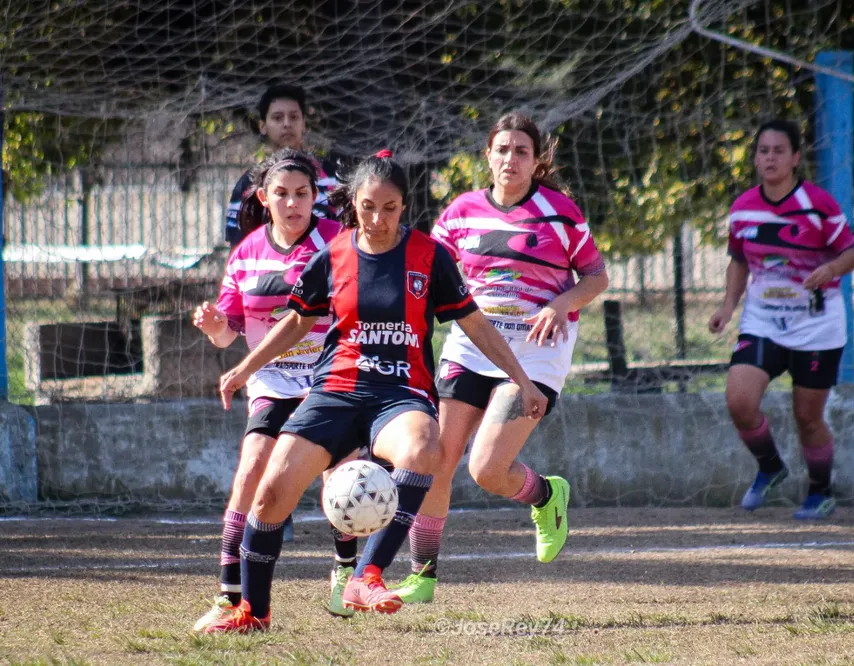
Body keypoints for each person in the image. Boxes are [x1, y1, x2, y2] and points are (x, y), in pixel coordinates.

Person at [198, 150, 548, 633]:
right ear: (353, 204)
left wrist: (523, 380)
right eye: (367, 207)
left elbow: (476, 324)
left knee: (424, 450)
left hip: (400, 393)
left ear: (404, 206)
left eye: (389, 208)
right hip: (335, 392)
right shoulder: (334, 253)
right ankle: (253, 613)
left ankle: (367, 576)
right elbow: (297, 321)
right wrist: (244, 368)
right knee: (271, 493)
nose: (378, 219)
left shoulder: (429, 256)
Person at [392, 112, 609, 604]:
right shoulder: (461, 212)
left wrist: (560, 304)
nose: (511, 159)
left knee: (487, 469)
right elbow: (431, 273)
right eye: (503, 149)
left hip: (534, 356)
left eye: (521, 151)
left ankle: (547, 495)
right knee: (436, 460)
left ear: (536, 160)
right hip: (472, 348)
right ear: (488, 156)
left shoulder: (560, 213)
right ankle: (422, 576)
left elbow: (596, 278)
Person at [191, 148, 361, 631]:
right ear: (264, 198)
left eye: (302, 194)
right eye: (282, 194)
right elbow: (227, 335)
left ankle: (345, 573)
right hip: (272, 380)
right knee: (250, 474)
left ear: (314, 196)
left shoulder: (338, 241)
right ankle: (230, 598)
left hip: (329, 379)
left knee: (340, 481)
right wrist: (213, 324)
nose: (292, 203)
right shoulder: (246, 252)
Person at [707, 118, 854, 520]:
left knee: (807, 418)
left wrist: (831, 270)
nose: (770, 158)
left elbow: (853, 251)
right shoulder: (743, 208)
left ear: (795, 158)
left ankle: (820, 492)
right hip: (763, 322)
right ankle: (770, 466)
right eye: (763, 151)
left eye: (779, 151)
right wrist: (728, 306)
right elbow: (738, 259)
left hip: (816, 327)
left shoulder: (818, 204)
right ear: (755, 159)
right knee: (739, 401)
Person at [224, 84, 343, 247]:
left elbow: (348, 236)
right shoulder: (250, 183)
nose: (287, 124)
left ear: (304, 124)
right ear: (263, 126)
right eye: (277, 118)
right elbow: (238, 247)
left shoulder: (331, 176)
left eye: (294, 117)